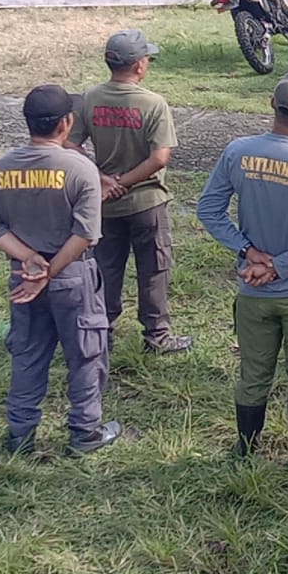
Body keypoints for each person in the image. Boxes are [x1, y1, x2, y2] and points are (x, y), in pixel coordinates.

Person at [197, 71, 288, 467]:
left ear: (271, 107)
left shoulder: (238, 152)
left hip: (253, 290)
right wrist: (279, 267)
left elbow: (209, 210)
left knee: (253, 371)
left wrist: (249, 252)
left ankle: (245, 448)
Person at [0, 85, 121, 456]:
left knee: (28, 355)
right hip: (72, 276)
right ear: (66, 123)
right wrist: (51, 270)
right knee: (86, 356)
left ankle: (20, 434)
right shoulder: (79, 169)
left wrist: (28, 259)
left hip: (22, 278)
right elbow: (86, 234)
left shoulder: (2, 168)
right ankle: (85, 432)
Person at [69, 29, 190, 354]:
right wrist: (125, 182)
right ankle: (157, 336)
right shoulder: (152, 103)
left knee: (106, 268)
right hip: (147, 202)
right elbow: (159, 158)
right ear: (139, 65)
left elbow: (70, 144)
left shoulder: (90, 98)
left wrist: (103, 180)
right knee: (153, 269)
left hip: (105, 205)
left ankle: (101, 333)